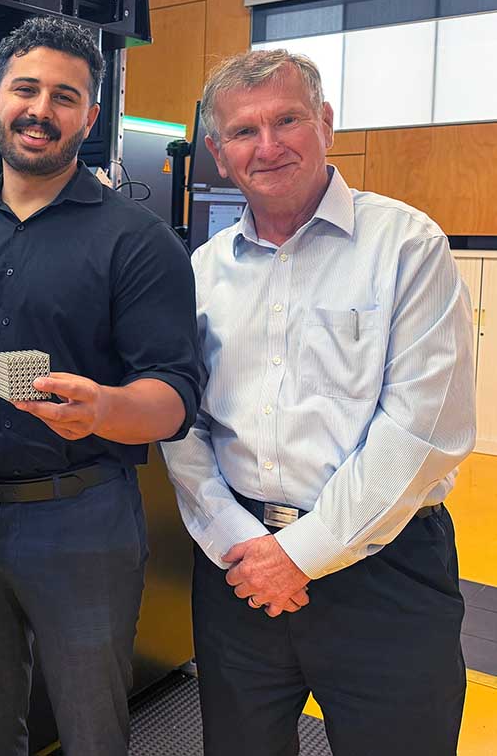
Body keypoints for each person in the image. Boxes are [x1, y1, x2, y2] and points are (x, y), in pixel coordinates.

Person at [161, 48, 475, 756]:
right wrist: (234, 540)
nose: (267, 146)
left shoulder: (406, 247)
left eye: (287, 120)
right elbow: (185, 423)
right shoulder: (202, 272)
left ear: (326, 122)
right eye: (243, 131)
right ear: (218, 150)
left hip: (383, 570)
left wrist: (299, 556)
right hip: (236, 570)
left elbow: (423, 431)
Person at [0, 16, 202, 756]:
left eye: (64, 95)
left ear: (89, 115)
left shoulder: (137, 241)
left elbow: (176, 395)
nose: (40, 109)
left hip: (83, 519)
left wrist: (107, 410)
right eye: (26, 89)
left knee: (91, 730)